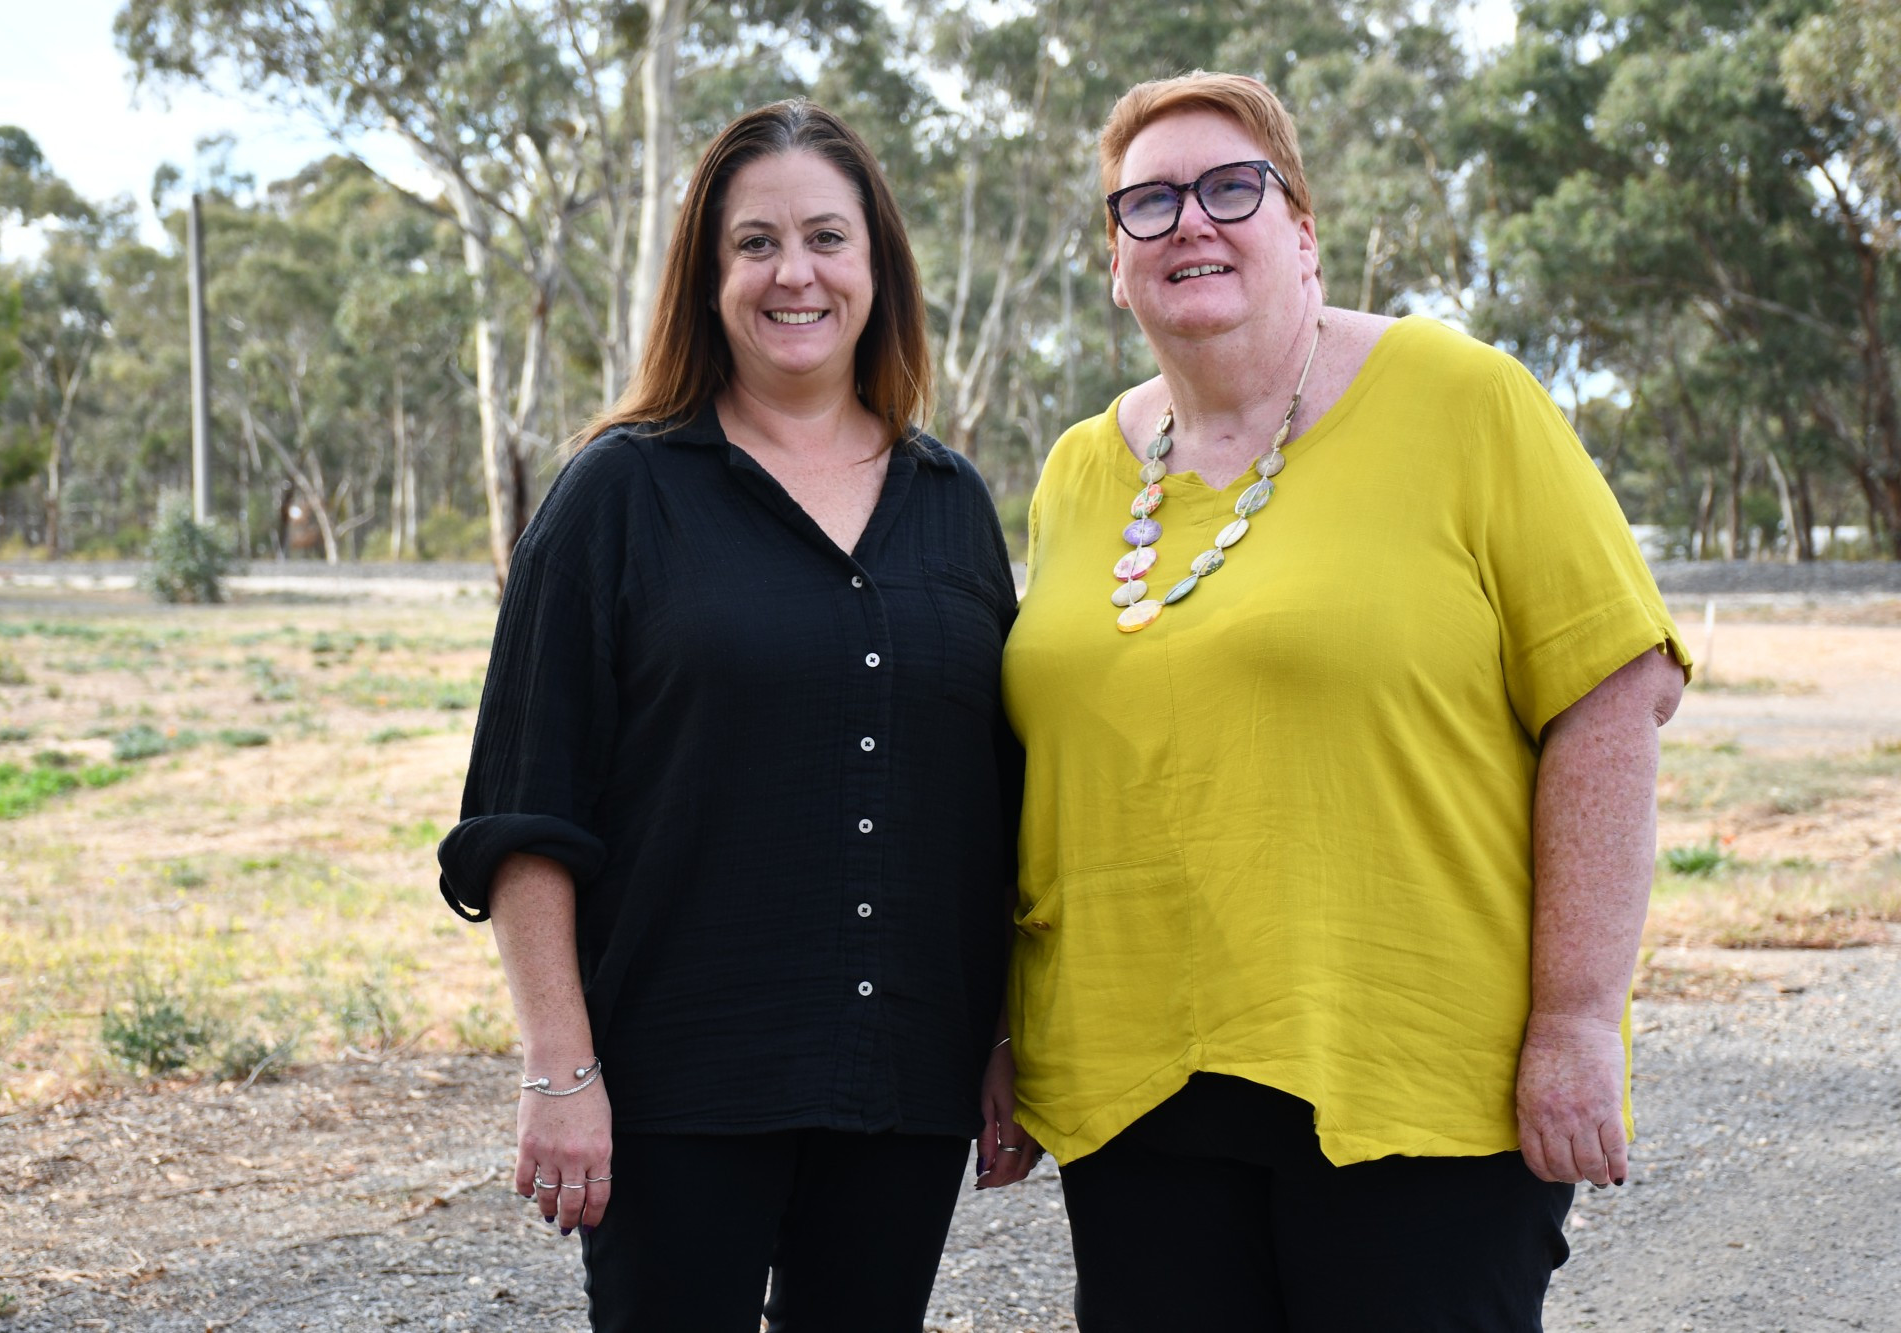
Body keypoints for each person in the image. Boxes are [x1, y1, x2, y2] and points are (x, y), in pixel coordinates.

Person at [1001, 71, 1691, 1330]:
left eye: (1229, 188)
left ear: (1301, 230)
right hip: (1132, 1081)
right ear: (1114, 261)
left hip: (1412, 1075)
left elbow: (1608, 690)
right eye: (1145, 203)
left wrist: (1579, 1018)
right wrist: (1000, 1021)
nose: (1188, 223)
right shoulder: (1077, 471)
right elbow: (1044, 769)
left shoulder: (1456, 396)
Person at [436, 99, 1036, 1333]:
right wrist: (561, 1070)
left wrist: (1008, 1034)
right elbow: (525, 813)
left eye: (826, 236)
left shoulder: (951, 502)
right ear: (707, 279)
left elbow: (996, 799)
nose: (793, 273)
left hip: (901, 1082)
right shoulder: (616, 494)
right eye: (754, 243)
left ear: (875, 267)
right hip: (678, 1086)